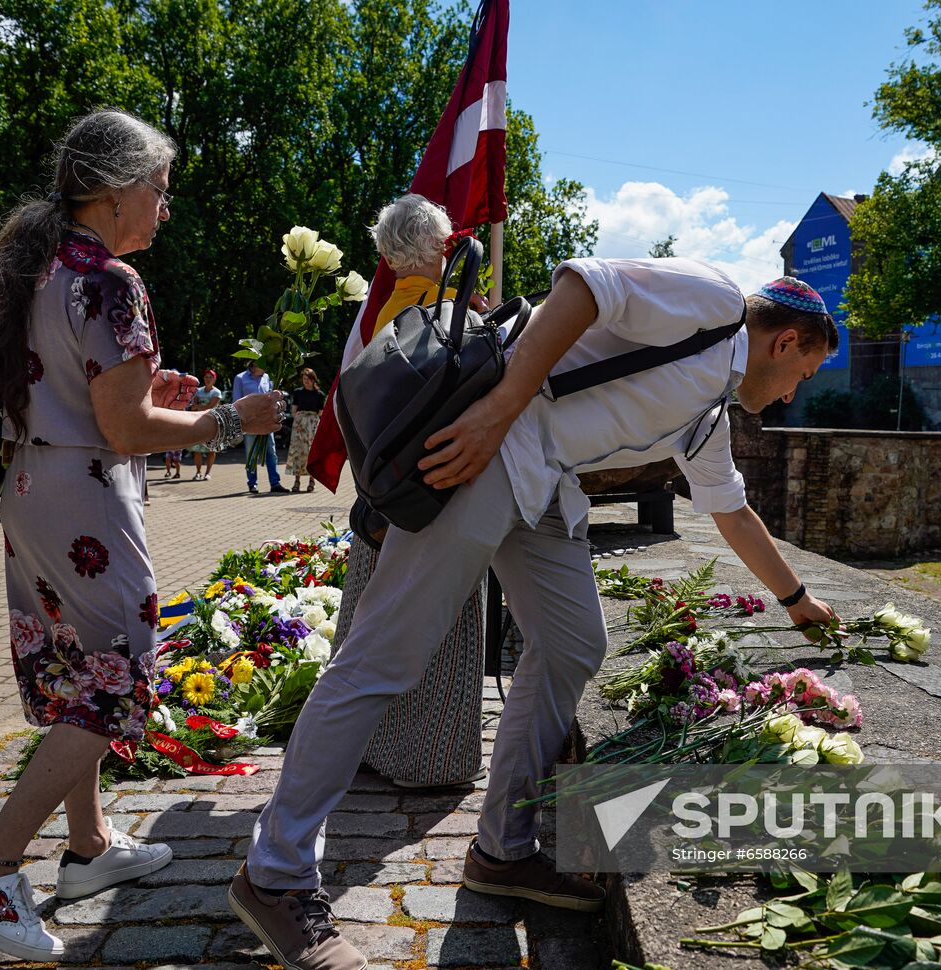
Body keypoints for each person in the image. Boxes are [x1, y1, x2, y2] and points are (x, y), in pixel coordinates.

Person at [229, 264, 841, 970]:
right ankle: (274, 875)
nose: (798, 392)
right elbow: (584, 287)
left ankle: (501, 849)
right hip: (485, 446)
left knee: (574, 643)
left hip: (539, 481)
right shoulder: (714, 300)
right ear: (787, 342)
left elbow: (730, 511)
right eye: (807, 374)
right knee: (382, 658)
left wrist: (797, 603)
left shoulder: (706, 414)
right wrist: (497, 409)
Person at [0, 108, 283, 962]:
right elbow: (123, 430)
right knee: (116, 675)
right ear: (116, 192)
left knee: (76, 665)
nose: (165, 206)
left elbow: (85, 398)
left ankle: (88, 848)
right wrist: (230, 419)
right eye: (160, 189)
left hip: (34, 489)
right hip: (86, 497)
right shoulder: (111, 280)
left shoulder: (38, 268)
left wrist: (165, 406)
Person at [331, 194, 489, 793]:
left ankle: (366, 744)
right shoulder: (448, 316)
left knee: (372, 621)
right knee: (435, 629)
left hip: (384, 491)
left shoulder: (375, 316)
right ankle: (430, 758)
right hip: (436, 492)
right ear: (439, 245)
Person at [234, 363, 288, 494]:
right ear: (254, 364)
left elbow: (271, 399)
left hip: (266, 422)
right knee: (251, 455)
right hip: (250, 423)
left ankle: (275, 483)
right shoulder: (240, 378)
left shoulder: (267, 377)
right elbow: (236, 401)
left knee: (271, 454)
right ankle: (252, 484)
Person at [287, 368, 324, 493]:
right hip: (300, 424)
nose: (306, 382)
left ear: (313, 380)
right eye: (304, 379)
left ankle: (311, 481)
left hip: (312, 424)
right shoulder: (298, 392)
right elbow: (294, 409)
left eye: (308, 379)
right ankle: (296, 481)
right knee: (298, 451)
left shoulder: (319, 394)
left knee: (311, 451)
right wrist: (298, 420)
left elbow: (320, 412)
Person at [188, 369, 223, 481]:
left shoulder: (217, 392)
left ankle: (208, 473)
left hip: (212, 423)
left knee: (211, 449)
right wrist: (199, 407)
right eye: (206, 377)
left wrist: (199, 407)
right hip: (198, 423)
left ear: (214, 379)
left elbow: (211, 407)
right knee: (197, 449)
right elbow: (193, 406)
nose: (208, 379)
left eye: (210, 377)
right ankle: (198, 472)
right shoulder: (198, 391)